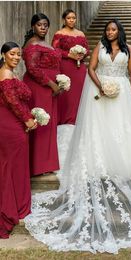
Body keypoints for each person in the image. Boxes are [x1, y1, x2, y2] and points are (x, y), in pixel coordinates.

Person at [24, 19, 131, 253]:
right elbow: (90, 68)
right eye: (108, 29)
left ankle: (127, 161)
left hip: (122, 95)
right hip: (102, 91)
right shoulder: (99, 46)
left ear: (120, 31)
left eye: (113, 29)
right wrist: (99, 86)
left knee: (124, 129)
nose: (110, 32)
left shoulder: (130, 49)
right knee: (103, 129)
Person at [0, 42, 37, 238]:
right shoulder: (5, 74)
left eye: (18, 54)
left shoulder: (10, 72)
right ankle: (13, 206)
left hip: (12, 122)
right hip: (9, 125)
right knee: (13, 165)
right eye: (12, 54)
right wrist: (28, 120)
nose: (16, 57)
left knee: (15, 165)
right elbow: (13, 101)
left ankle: (19, 203)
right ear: (3, 54)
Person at [23, 13, 62, 176]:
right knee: (41, 124)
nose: (43, 28)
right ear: (33, 26)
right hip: (39, 87)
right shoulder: (32, 43)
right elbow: (32, 69)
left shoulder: (44, 42)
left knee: (49, 124)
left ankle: (46, 163)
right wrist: (52, 84)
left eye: (45, 25)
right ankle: (37, 166)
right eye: (40, 25)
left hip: (48, 89)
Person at [52, 9, 89, 171]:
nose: (72, 20)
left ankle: (78, 126)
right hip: (66, 68)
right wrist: (70, 55)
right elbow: (55, 51)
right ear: (64, 19)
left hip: (80, 70)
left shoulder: (81, 34)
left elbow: (86, 50)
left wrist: (81, 55)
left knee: (79, 97)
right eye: (69, 18)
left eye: (74, 17)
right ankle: (65, 133)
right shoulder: (59, 33)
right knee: (66, 97)